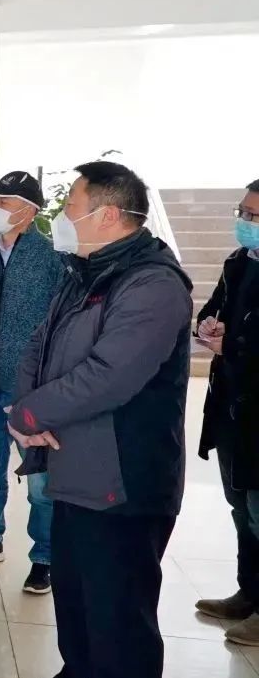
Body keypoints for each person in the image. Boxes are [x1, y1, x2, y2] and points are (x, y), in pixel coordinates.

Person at [7, 162, 191, 678]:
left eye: (69, 208)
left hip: (121, 482)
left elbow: (108, 377)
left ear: (107, 215)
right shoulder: (84, 272)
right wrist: (24, 408)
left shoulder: (152, 284)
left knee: (118, 620)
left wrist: (29, 413)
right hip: (75, 474)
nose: (60, 219)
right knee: (77, 606)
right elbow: (39, 345)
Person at [0, 172, 63, 595]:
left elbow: (63, 324)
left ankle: (45, 557)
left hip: (29, 388)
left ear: (29, 210)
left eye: (4, 202)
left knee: (40, 481)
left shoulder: (53, 256)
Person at [193, 178, 259, 646]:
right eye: (243, 212)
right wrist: (210, 326)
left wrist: (232, 344)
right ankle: (248, 593)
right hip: (232, 407)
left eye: (254, 216)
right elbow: (212, 310)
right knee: (241, 507)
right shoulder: (239, 262)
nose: (245, 221)